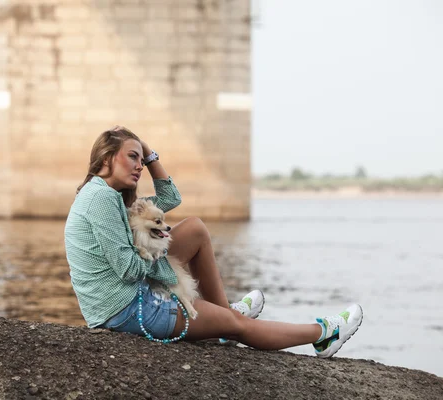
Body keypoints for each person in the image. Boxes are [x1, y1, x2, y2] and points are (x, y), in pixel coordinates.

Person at [64, 126, 362, 357]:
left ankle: (222, 317)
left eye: (142, 159)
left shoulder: (108, 195)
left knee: (193, 229)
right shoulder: (101, 198)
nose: (140, 165)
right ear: (106, 159)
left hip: (126, 297)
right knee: (239, 327)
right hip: (126, 310)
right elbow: (129, 269)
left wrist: (150, 152)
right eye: (133, 156)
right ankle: (323, 334)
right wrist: (163, 269)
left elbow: (170, 199)